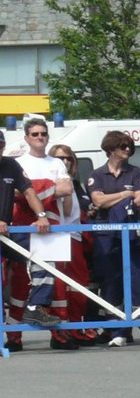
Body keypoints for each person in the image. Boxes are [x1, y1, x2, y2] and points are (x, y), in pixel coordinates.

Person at [87, 130, 140, 348]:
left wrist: (127, 197)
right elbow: (98, 201)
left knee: (139, 280)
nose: (128, 150)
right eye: (123, 146)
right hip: (106, 237)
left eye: (130, 146)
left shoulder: (136, 172)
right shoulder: (98, 174)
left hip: (132, 236)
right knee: (112, 282)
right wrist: (125, 195)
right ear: (110, 149)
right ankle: (118, 331)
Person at [4, 115, 72, 346]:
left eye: (43, 134)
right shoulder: (18, 162)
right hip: (21, 227)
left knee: (56, 282)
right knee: (20, 283)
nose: (40, 138)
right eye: (35, 134)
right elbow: (16, 194)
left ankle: (60, 335)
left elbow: (67, 188)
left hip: (51, 228)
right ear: (26, 138)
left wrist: (37, 199)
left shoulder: (56, 162)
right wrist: (49, 189)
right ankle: (13, 336)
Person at [48, 145, 98, 347]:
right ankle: (60, 333)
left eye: (69, 158)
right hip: (55, 237)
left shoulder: (77, 185)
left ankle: (76, 329)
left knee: (79, 287)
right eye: (60, 158)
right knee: (59, 290)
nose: (65, 161)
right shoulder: (53, 183)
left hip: (76, 238)